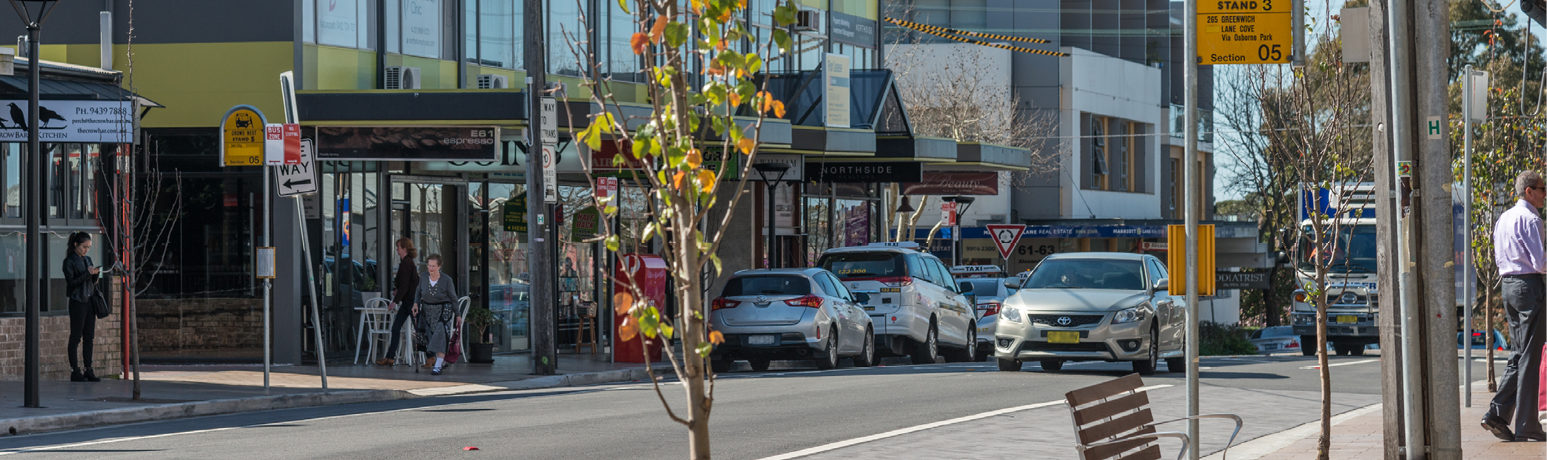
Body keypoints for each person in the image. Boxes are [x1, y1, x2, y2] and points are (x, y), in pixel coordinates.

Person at [1484, 171, 1547, 442]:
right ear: (1529, 192)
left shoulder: (1504, 218)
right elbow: (1540, 263)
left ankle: (1496, 415)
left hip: (1508, 286)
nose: (1545, 194)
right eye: (1542, 189)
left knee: (1518, 354)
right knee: (1530, 356)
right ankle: (1527, 425)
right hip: (1528, 286)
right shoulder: (1532, 219)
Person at [63, 232, 102, 382]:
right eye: (84, 247)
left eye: (88, 247)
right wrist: (87, 273)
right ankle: (75, 370)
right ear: (76, 245)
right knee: (76, 336)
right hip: (77, 301)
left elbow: (91, 281)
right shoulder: (69, 261)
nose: (86, 250)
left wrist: (95, 274)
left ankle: (88, 369)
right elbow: (72, 282)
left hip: (90, 301)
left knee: (89, 337)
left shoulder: (87, 259)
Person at [376, 238, 420, 366]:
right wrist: (398, 291)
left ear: (404, 249)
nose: (397, 249)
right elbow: (406, 284)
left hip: (410, 301)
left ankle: (432, 356)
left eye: (398, 247)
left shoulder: (406, 263)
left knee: (416, 329)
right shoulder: (407, 262)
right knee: (397, 328)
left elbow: (405, 285)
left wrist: (394, 301)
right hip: (408, 301)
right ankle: (390, 357)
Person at [414, 254, 458, 375]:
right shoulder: (423, 276)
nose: (431, 268)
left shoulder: (446, 279)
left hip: (444, 309)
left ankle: (438, 365)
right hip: (427, 309)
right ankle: (441, 360)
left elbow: (453, 298)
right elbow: (418, 292)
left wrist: (458, 315)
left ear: (439, 266)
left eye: (434, 266)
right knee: (429, 335)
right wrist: (415, 304)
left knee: (440, 333)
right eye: (429, 265)